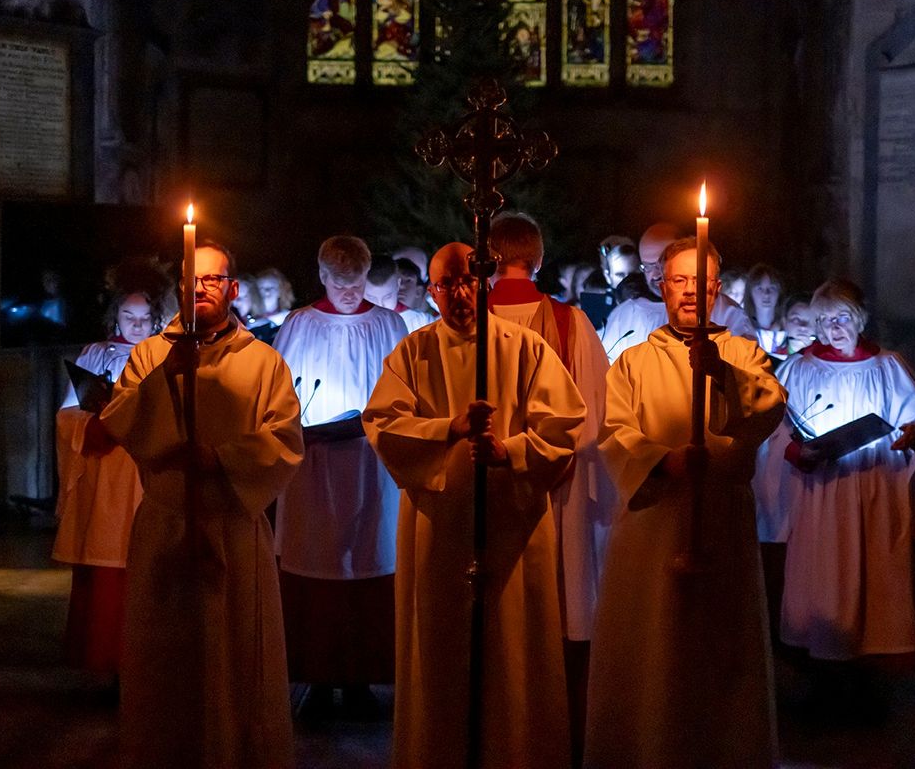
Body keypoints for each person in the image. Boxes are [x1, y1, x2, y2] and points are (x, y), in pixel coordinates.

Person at [363, 242, 586, 769]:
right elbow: (382, 425)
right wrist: (449, 429)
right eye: (446, 284)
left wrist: (510, 451)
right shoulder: (414, 352)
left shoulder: (524, 347)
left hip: (510, 522)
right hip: (440, 523)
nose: (458, 293)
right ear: (431, 291)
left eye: (467, 281)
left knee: (512, 648)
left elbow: (563, 426)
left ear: (483, 284)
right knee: (441, 650)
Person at [101, 240, 304, 768]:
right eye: (192, 280)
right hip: (167, 523)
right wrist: (166, 376)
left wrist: (220, 459)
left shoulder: (263, 361)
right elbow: (119, 419)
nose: (201, 289)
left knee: (235, 656)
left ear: (233, 289)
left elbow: (284, 439)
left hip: (231, 525)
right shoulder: (150, 354)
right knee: (166, 657)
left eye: (213, 280)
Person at [586, 236, 786, 768]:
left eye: (702, 282)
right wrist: (663, 461)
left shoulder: (742, 352)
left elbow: (768, 406)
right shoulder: (631, 362)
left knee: (718, 650)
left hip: (719, 521)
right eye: (680, 280)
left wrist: (720, 373)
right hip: (653, 525)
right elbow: (613, 432)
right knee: (651, 647)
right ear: (662, 285)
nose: (691, 291)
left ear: (718, 289)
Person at [752, 279, 915, 709]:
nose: (833, 329)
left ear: (858, 318)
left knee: (873, 580)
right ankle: (823, 680)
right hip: (820, 496)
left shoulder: (887, 368)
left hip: (874, 491)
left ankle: (869, 683)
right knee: (822, 580)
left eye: (841, 318)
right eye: (824, 321)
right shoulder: (798, 369)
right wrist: (795, 450)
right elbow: (774, 432)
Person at [488, 213, 617, 763]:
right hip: (558, 493)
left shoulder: (462, 318)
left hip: (486, 489)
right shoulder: (572, 323)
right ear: (537, 259)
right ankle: (557, 731)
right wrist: (545, 460)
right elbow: (594, 419)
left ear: (489, 256)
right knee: (559, 613)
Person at [271, 235, 407, 717]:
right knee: (316, 566)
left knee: (370, 563)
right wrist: (304, 427)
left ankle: (360, 680)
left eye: (357, 283)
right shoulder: (300, 324)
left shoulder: (390, 325)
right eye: (339, 283)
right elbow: (279, 395)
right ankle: (318, 678)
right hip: (315, 470)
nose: (349, 293)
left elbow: (405, 395)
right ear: (323, 277)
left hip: (373, 470)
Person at [53, 289, 162, 679]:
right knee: (105, 571)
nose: (136, 325)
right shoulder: (97, 354)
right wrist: (94, 425)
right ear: (115, 316)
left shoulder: (165, 355)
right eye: (128, 316)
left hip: (145, 477)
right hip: (104, 481)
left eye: (145, 317)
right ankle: (104, 662)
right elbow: (67, 414)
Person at [601, 223, 753, 362]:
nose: (655, 274)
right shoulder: (625, 315)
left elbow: (745, 375)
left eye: (662, 263)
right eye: (648, 266)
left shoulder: (727, 314)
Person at [744, 263, 786, 357]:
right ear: (750, 292)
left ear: (779, 291)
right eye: (759, 288)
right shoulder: (742, 330)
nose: (766, 294)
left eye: (772, 288)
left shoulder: (789, 331)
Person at [395, 256, 438, 332]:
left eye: (408, 280)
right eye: (395, 281)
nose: (401, 285)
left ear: (418, 291)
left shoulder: (427, 323)